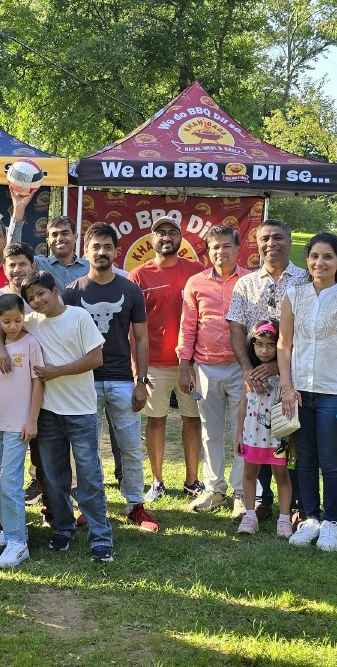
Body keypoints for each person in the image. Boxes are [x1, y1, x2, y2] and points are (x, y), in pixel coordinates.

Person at [63, 222, 160, 532]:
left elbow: (142, 339)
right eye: (96, 246)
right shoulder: (72, 292)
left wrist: (141, 381)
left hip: (122, 380)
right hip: (83, 382)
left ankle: (135, 505)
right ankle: (88, 506)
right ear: (86, 251)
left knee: (130, 445)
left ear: (116, 252)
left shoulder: (129, 289)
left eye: (107, 247)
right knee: (84, 448)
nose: (102, 252)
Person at [14, 271, 113, 562]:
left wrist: (57, 371)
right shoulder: (30, 321)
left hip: (81, 411)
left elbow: (96, 358)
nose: (36, 301)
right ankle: (63, 528)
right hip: (47, 413)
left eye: (41, 294)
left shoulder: (79, 317)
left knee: (89, 475)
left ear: (55, 290)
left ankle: (101, 536)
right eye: (30, 298)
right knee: (55, 477)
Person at [278, 233, 337, 553]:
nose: (320, 262)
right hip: (300, 392)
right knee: (304, 459)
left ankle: (331, 523)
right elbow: (283, 345)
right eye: (314, 256)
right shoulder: (293, 295)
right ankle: (310, 518)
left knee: (330, 460)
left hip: (335, 392)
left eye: (328, 257)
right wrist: (287, 387)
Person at [225, 219, 308, 519]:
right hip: (256, 378)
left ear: (290, 241)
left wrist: (278, 364)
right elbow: (236, 328)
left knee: (292, 437)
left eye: (277, 238)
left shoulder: (304, 279)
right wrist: (250, 369)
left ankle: (298, 505)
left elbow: (308, 330)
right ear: (257, 244)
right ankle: (262, 502)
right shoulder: (245, 283)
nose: (271, 244)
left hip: (294, 374)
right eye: (265, 239)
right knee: (258, 432)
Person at [130, 214, 205, 502]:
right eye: (160, 233)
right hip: (155, 364)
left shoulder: (196, 271)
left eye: (172, 232)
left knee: (192, 420)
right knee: (156, 420)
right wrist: (138, 369)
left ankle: (192, 481)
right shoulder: (139, 275)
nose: (166, 237)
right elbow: (131, 328)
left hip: (192, 363)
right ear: (152, 240)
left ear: (180, 239)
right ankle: (157, 481)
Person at [179, 225, 249, 514]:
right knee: (210, 431)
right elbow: (188, 325)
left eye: (226, 246)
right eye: (215, 247)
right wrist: (185, 366)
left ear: (237, 248)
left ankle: (242, 493)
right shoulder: (196, 283)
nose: (221, 251)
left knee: (243, 430)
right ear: (208, 252)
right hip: (206, 367)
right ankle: (214, 488)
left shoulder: (250, 280)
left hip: (241, 367)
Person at [0, 242, 40, 505]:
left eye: (23, 263)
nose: (17, 269)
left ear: (32, 266)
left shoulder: (39, 297)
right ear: (4, 267)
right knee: (4, 452)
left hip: (38, 382)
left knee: (41, 446)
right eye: (11, 264)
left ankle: (47, 497)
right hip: (5, 388)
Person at [0, 293, 45, 568]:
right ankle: (9, 531)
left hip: (19, 425)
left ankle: (19, 544)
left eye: (18, 320)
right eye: (6, 321)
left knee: (11, 481)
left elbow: (38, 384)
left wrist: (32, 420)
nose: (12, 326)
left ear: (25, 316)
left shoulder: (31, 343)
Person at [234, 319, 294, 536]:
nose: (264, 350)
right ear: (252, 345)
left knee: (282, 475)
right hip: (252, 434)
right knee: (250, 473)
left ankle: (284, 519)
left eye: (271, 345)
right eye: (259, 344)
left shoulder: (284, 375)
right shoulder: (250, 376)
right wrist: (240, 433)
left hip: (277, 436)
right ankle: (250, 515)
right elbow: (244, 404)